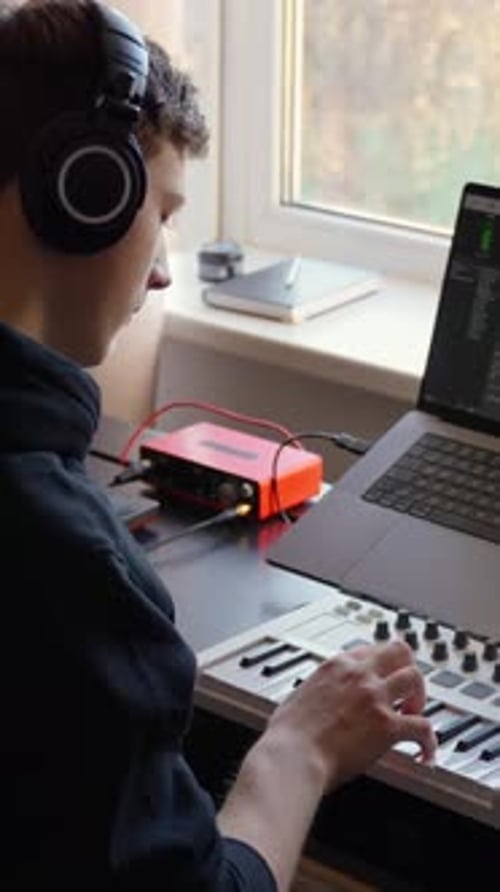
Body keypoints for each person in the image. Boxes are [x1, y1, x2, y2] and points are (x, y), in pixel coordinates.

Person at [0, 1, 437, 889]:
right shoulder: (56, 556)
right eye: (159, 211)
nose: (162, 267)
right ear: (84, 193)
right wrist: (302, 746)